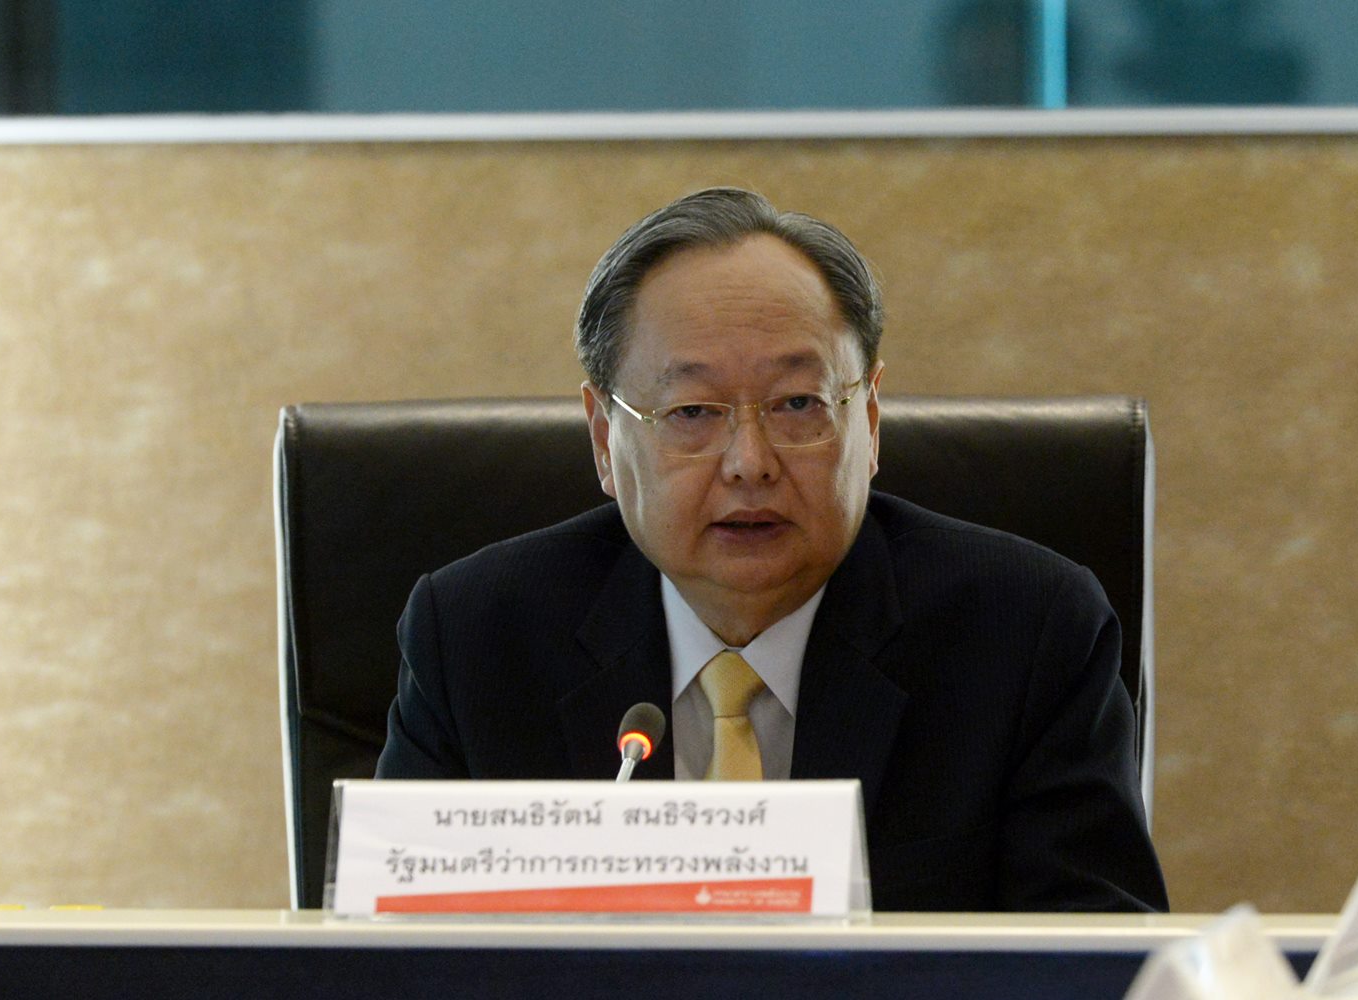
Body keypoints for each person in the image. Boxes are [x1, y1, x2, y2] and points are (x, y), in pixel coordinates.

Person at [375, 187, 1168, 912]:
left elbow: (1098, 967)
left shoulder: (1025, 635)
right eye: (692, 411)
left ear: (869, 422)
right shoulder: (475, 635)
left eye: (798, 404)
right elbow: (389, 963)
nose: (750, 462)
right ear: (604, 438)